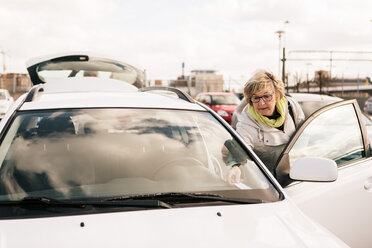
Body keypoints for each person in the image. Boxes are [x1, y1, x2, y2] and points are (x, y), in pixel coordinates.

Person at [228, 70, 305, 183]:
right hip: (269, 183)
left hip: (297, 175)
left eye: (267, 96)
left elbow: (304, 137)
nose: (261, 103)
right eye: (256, 98)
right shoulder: (247, 119)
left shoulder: (292, 107)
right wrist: (235, 166)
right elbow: (241, 145)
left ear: (278, 95)